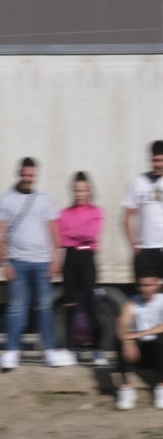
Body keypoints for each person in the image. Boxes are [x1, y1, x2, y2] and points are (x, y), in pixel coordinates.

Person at [0, 157, 69, 370]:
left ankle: (49, 351)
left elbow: (53, 229)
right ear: (19, 173)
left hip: (42, 263)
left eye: (31, 176)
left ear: (35, 175)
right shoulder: (5, 199)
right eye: (25, 175)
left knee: (45, 308)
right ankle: (11, 351)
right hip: (17, 262)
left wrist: (56, 259)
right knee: (16, 308)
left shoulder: (44, 199)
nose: (27, 179)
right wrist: (3, 262)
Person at [56, 172, 110, 366]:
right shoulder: (64, 213)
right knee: (70, 304)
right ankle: (70, 349)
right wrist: (76, 236)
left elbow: (90, 233)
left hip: (87, 258)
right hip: (69, 258)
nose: (79, 193)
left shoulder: (96, 212)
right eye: (76, 190)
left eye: (83, 190)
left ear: (89, 191)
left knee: (90, 304)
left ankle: (98, 350)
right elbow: (62, 238)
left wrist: (73, 234)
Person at [114, 274, 163, 410]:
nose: (145, 289)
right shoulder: (132, 302)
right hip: (139, 352)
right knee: (120, 339)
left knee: (161, 339)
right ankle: (126, 389)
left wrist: (138, 334)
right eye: (142, 285)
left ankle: (161, 387)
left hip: (157, 350)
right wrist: (127, 342)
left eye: (149, 285)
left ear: (157, 285)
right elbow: (122, 322)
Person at [123, 140, 163, 284]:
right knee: (144, 294)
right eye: (154, 160)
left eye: (160, 160)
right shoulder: (138, 181)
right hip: (145, 249)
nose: (157, 164)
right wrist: (133, 245)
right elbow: (127, 216)